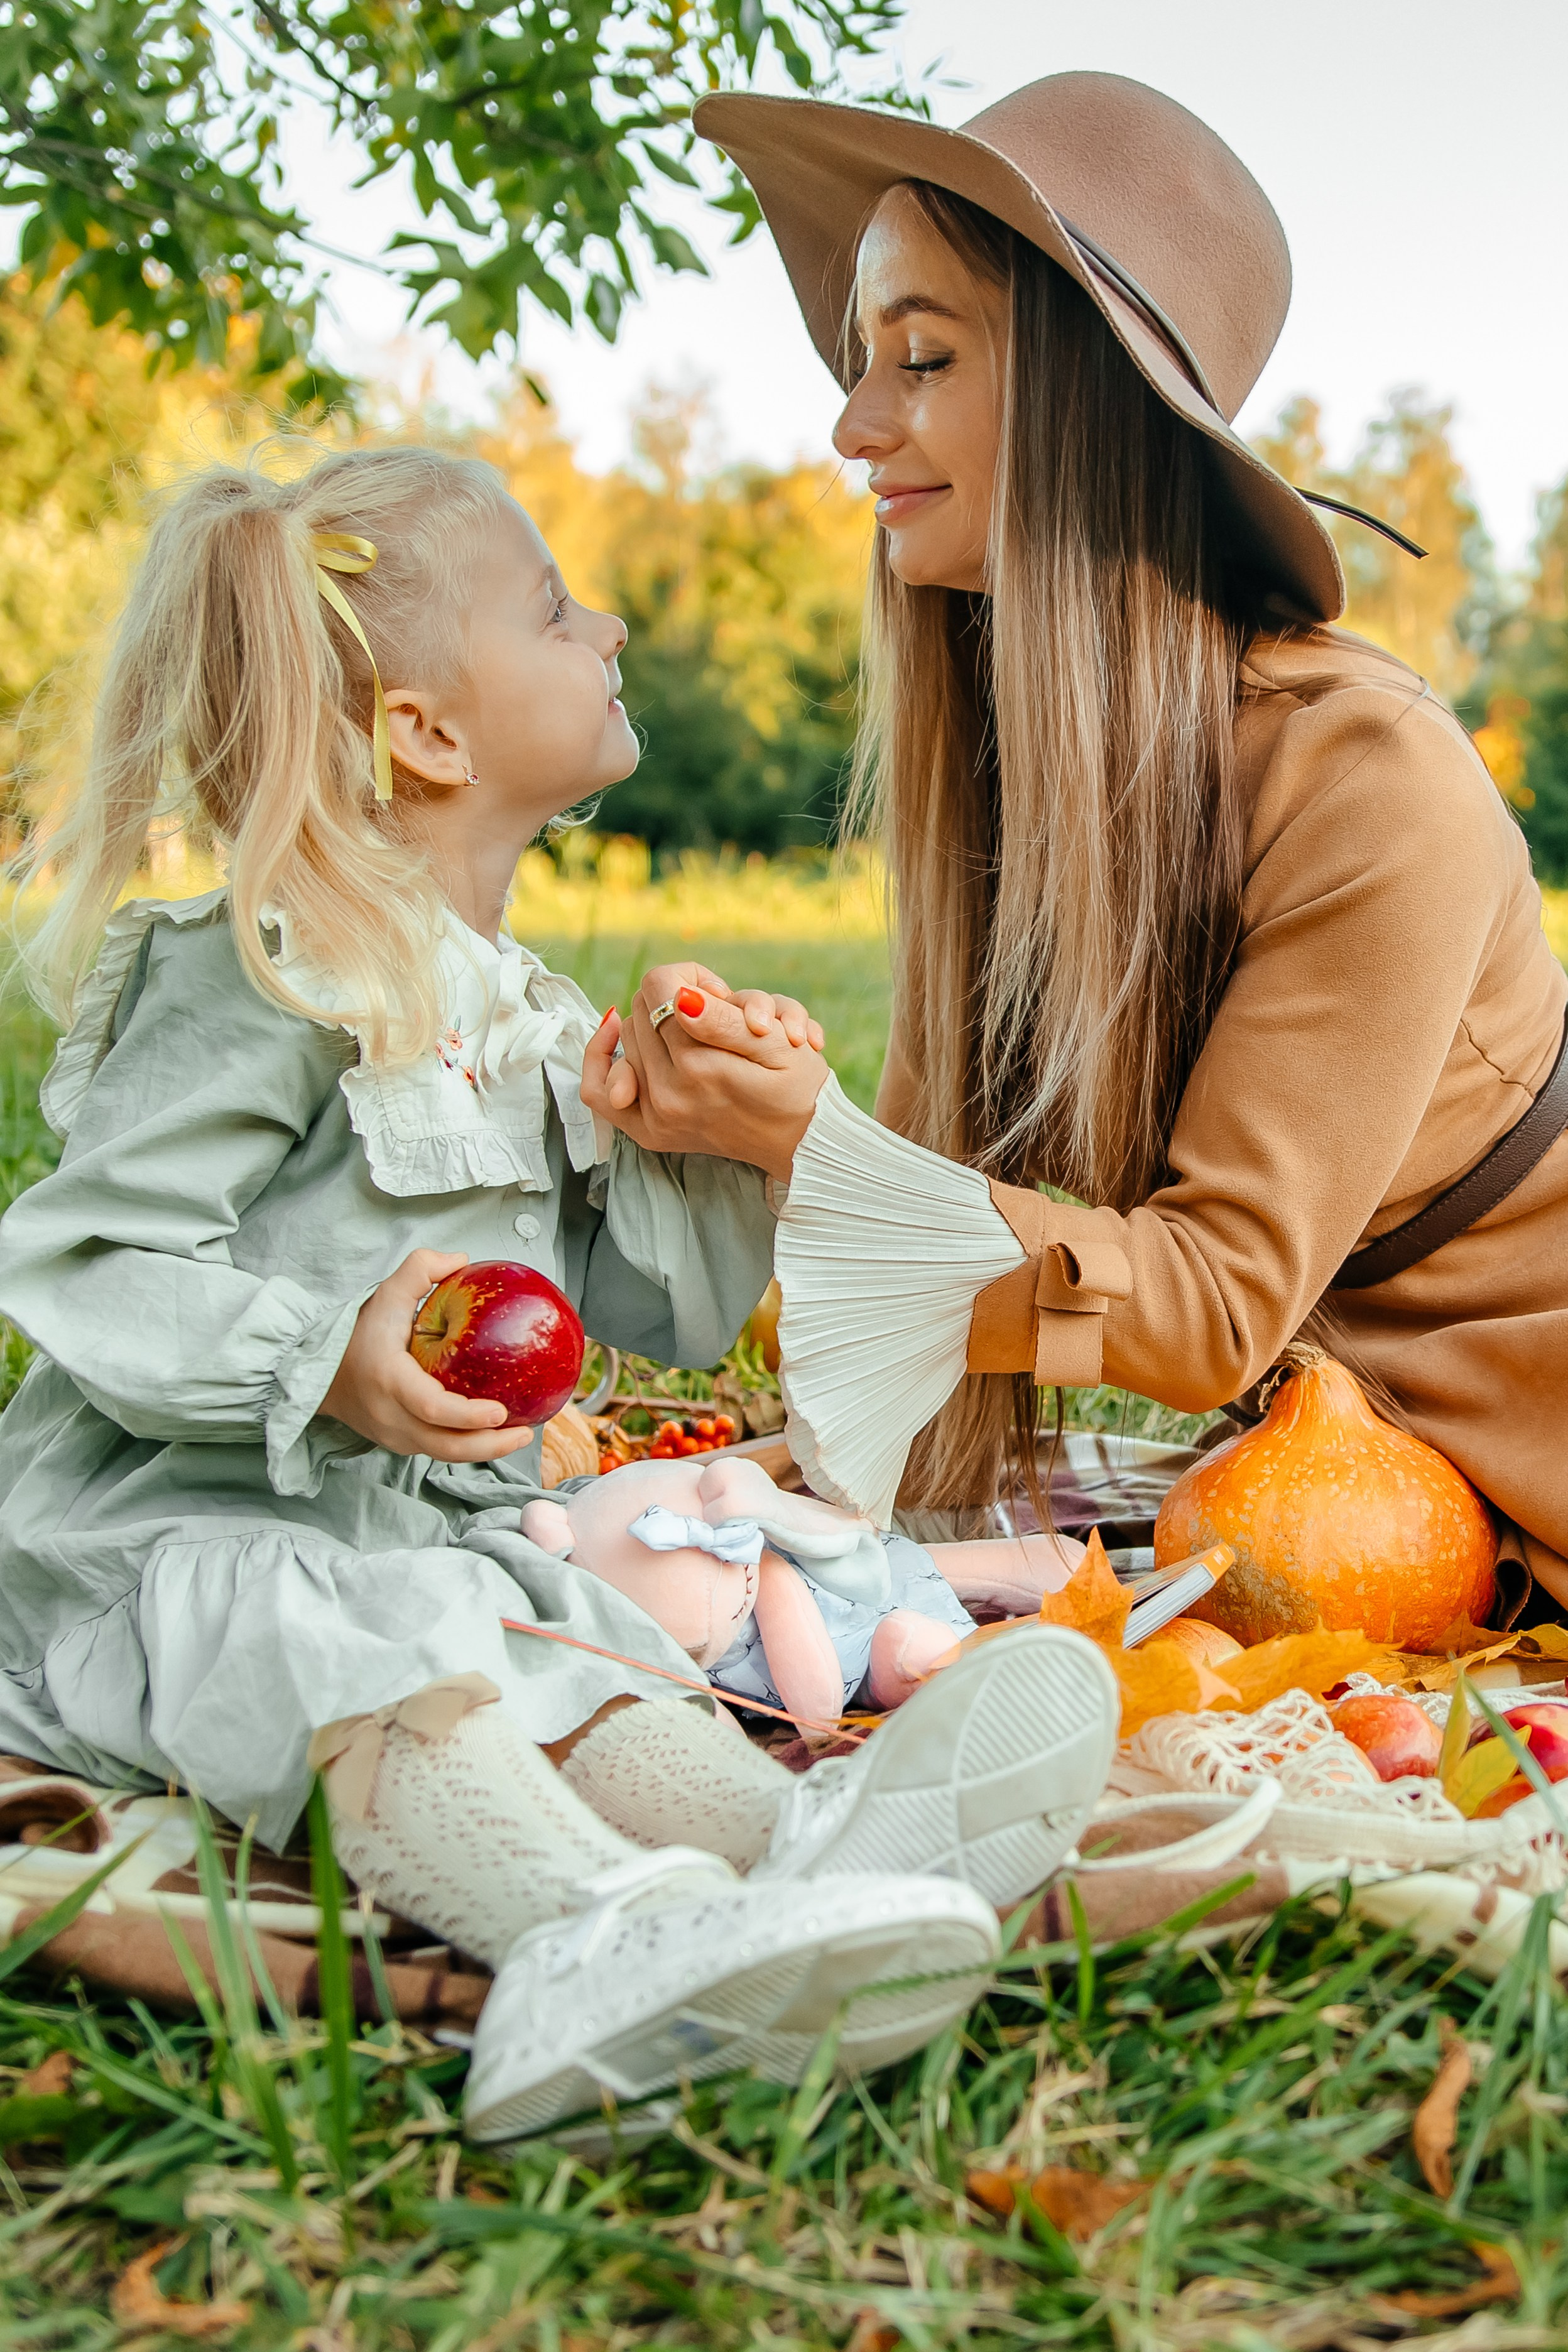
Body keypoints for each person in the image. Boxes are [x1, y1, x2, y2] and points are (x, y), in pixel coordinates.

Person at [0, 445, 1117, 2141]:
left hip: (422, 1550)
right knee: (383, 1639)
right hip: (164, 1562)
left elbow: (642, 1309)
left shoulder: (522, 1014)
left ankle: (802, 1862)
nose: (601, 626)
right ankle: (585, 1947)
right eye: (552, 606)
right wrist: (327, 1350)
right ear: (428, 736)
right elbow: (86, 1264)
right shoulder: (261, 966)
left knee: (575, 1643)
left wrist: (723, 1149)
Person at [589, 72, 1568, 1602]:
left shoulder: (1366, 775)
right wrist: (756, 1169)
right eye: (864, 361)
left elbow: (1208, 1311)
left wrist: (816, 1153)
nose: (853, 425)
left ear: (1080, 403)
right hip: (1323, 1461)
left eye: (922, 356)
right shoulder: (1008, 779)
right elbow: (931, 1207)